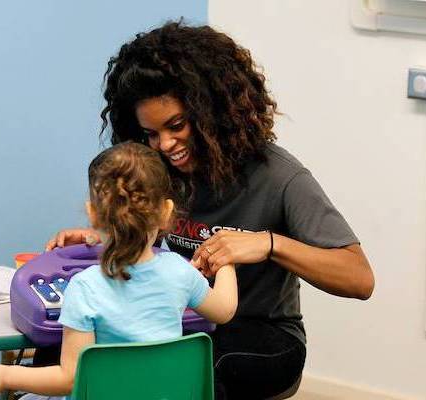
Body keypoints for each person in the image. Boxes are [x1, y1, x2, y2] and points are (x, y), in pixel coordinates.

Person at [45, 21, 375, 399]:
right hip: (178, 324)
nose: (166, 145)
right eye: (151, 134)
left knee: (193, 365)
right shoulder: (157, 170)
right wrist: (108, 237)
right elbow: (147, 242)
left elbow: (359, 279)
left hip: (260, 333)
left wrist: (268, 244)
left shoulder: (280, 176)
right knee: (55, 356)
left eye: (177, 125)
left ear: (212, 110)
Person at [0, 142, 238, 398]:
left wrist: (4, 376)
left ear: (93, 214)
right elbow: (224, 310)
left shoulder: (84, 287)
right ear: (166, 212)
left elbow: (69, 378)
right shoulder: (180, 271)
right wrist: (226, 261)